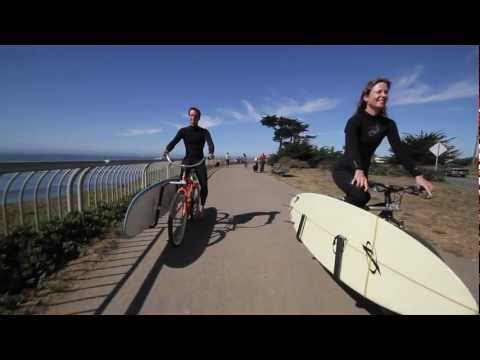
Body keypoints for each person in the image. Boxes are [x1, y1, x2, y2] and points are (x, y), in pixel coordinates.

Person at [332, 78, 433, 208]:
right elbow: (352, 148)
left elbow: (399, 150)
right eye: (379, 92)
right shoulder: (355, 121)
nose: (383, 95)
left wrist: (417, 175)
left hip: (363, 171)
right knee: (361, 196)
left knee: (360, 202)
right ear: (366, 97)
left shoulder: (388, 124)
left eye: (386, 92)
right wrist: (358, 169)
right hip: (344, 169)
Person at [164, 106, 215, 216]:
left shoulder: (204, 132)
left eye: (195, 116)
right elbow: (174, 141)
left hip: (199, 161)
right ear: (189, 116)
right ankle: (181, 200)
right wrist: (167, 150)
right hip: (187, 160)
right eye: (191, 115)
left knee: (204, 185)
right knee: (181, 182)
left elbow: (210, 143)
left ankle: (202, 206)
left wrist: (211, 152)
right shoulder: (183, 131)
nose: (193, 117)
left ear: (199, 118)